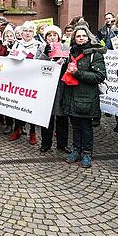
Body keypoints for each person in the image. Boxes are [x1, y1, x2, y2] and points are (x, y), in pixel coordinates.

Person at [59, 25, 106, 168]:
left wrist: (78, 73)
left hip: (86, 97)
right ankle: (76, 150)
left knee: (86, 126)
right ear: (74, 38)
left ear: (88, 37)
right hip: (71, 95)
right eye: (78, 36)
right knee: (75, 125)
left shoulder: (94, 54)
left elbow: (99, 76)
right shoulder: (69, 53)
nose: (81, 38)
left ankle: (87, 153)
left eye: (83, 36)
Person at [8, 21, 43, 144]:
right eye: (25, 31)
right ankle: (17, 128)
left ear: (33, 33)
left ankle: (32, 131)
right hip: (19, 79)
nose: (28, 33)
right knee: (17, 104)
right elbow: (9, 59)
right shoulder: (17, 44)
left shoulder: (39, 45)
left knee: (31, 106)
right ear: (21, 32)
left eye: (30, 31)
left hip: (33, 79)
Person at [39, 26, 70, 155]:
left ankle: (62, 144)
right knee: (47, 116)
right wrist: (45, 54)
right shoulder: (41, 48)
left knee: (62, 117)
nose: (52, 37)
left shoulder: (66, 48)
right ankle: (46, 143)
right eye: (49, 35)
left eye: (54, 35)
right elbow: (36, 65)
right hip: (47, 86)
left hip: (62, 85)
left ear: (59, 37)